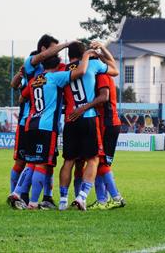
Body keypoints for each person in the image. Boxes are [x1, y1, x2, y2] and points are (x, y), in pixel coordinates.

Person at [19, 49, 96, 210]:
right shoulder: (55, 77)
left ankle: (18, 193)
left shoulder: (34, 79)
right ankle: (33, 203)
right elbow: (81, 71)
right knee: (42, 164)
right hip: (46, 127)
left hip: (30, 124)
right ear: (56, 65)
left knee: (31, 163)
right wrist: (87, 55)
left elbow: (22, 97)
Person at [7, 35, 71, 209]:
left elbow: (19, 93)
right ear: (44, 49)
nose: (58, 50)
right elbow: (16, 88)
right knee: (25, 161)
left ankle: (46, 197)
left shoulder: (49, 72)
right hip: (30, 122)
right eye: (55, 48)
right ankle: (17, 194)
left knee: (45, 161)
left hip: (39, 122)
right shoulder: (32, 63)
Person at [58, 41, 119, 211]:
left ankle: (63, 200)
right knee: (93, 159)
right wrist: (99, 53)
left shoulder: (62, 69)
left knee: (68, 161)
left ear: (69, 55)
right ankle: (82, 197)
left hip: (70, 119)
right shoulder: (92, 64)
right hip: (88, 117)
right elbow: (115, 69)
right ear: (84, 52)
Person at [69, 72, 126, 210]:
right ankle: (102, 200)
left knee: (102, 163)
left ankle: (117, 197)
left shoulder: (101, 76)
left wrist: (83, 107)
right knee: (99, 162)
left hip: (108, 123)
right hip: (103, 124)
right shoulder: (97, 76)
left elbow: (104, 97)